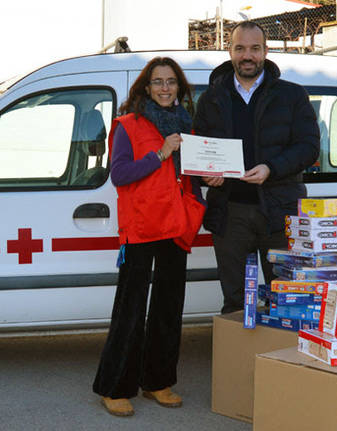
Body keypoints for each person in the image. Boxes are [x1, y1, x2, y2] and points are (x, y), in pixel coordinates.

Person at [92, 57, 205, 417]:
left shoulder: (188, 126)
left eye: (171, 82)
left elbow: (192, 174)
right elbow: (121, 174)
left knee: (168, 309)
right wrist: (161, 153)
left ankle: (158, 382)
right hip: (141, 226)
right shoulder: (127, 125)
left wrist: (211, 176)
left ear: (180, 88)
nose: (165, 88)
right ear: (145, 87)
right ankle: (115, 387)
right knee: (131, 309)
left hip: (176, 225)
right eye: (157, 82)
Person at [193, 21, 320, 314]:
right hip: (229, 213)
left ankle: (278, 360)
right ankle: (238, 359)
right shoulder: (211, 98)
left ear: (265, 51)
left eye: (254, 48)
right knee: (235, 303)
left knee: (287, 299)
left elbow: (309, 147)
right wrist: (206, 174)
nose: (247, 55)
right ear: (230, 51)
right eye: (240, 48)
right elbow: (199, 147)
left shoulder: (292, 95)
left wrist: (271, 168)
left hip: (280, 211)